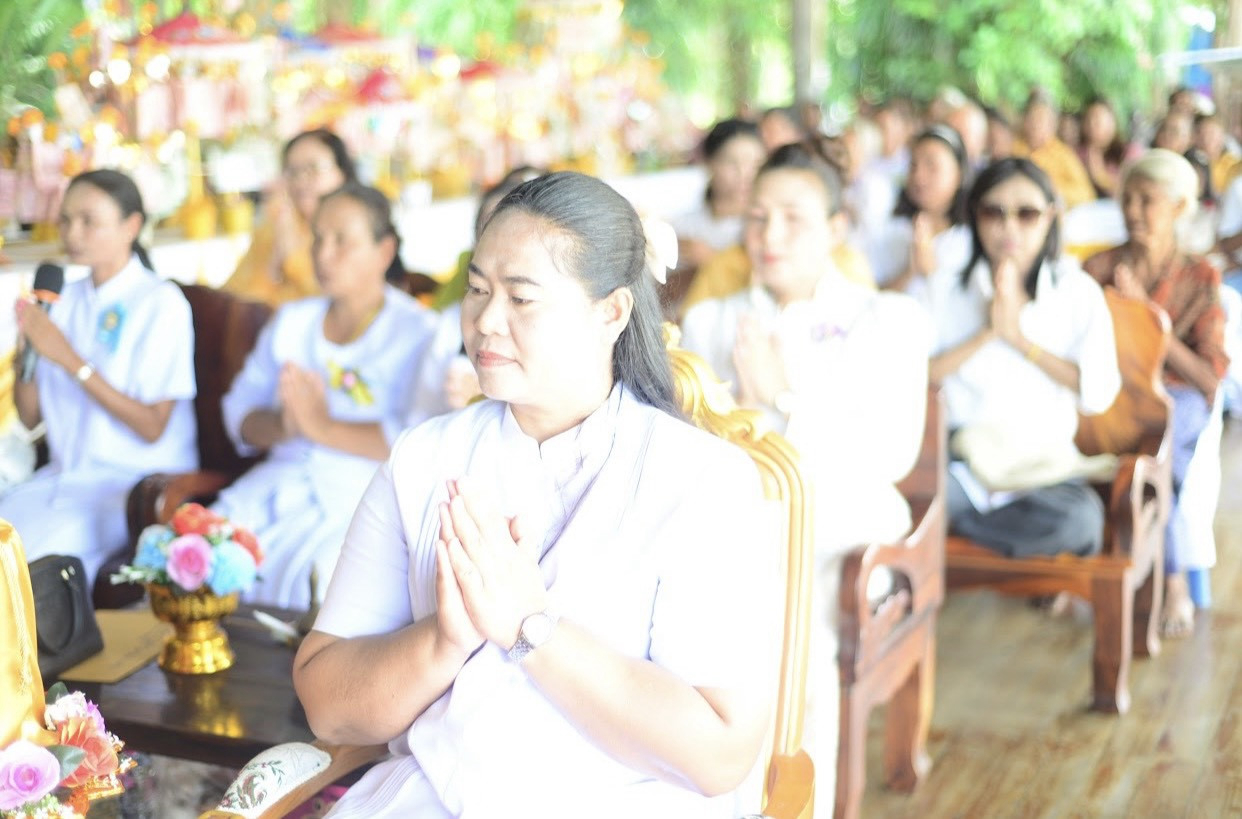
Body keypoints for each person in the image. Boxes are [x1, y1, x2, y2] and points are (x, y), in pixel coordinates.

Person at [293, 172, 777, 818]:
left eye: (522, 298)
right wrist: (444, 639)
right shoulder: (424, 457)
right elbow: (326, 701)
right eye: (477, 290)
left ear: (611, 312)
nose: (486, 320)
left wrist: (531, 626)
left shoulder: (701, 479)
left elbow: (720, 753)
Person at [680, 142, 931, 811]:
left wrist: (787, 397)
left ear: (836, 229)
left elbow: (893, 456)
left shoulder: (888, 320)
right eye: (757, 218)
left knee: (795, 623)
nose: (769, 236)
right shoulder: (709, 320)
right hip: (734, 532)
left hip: (843, 529)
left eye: (793, 218)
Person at [215, 183, 436, 609]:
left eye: (342, 241)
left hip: (362, 494)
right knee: (195, 553)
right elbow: (238, 412)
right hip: (276, 485)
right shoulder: (292, 322)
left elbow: (420, 438)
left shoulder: (417, 331)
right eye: (318, 238)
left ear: (384, 251)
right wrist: (283, 425)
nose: (323, 254)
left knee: (319, 578)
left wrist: (322, 427)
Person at [2, 169, 197, 585]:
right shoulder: (61, 298)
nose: (74, 233)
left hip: (126, 486)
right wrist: (30, 351)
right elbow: (30, 416)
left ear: (132, 225)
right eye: (67, 220)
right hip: (61, 477)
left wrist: (69, 358)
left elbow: (151, 427)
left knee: (24, 566)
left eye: (89, 221)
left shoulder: (161, 303)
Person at [930, 158, 1121, 560]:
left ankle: (959, 536)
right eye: (993, 212)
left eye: (1027, 214)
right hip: (965, 463)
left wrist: (1019, 339)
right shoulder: (944, 289)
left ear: (1050, 217)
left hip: (1045, 468)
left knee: (1081, 520)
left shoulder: (1077, 291)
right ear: (974, 215)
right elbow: (915, 380)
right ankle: (983, 533)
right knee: (921, 497)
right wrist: (987, 332)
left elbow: (1099, 394)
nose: (1009, 228)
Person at [1084, 149, 1231, 637]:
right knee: (1145, 449)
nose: (1133, 211)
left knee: (1157, 447)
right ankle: (1150, 579)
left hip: (1178, 399)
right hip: (1111, 393)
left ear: (1178, 207)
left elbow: (1211, 380)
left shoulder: (1200, 276)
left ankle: (1170, 583)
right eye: (1128, 198)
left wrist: (1147, 318)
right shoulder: (1099, 269)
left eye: (1148, 200)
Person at [407, 166, 548, 428]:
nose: (486, 322)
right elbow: (419, 418)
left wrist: (488, 400)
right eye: (489, 229)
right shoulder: (451, 325)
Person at [220, 129, 356, 306]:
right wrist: (273, 266)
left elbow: (338, 304)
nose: (301, 180)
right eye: (292, 172)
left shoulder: (355, 232)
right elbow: (233, 300)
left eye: (313, 168)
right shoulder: (275, 226)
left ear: (342, 173)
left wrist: (291, 257)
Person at [864, 125, 973, 295]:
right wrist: (911, 271)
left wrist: (931, 271)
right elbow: (869, 290)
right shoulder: (893, 229)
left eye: (932, 166)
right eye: (913, 166)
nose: (919, 176)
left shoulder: (969, 238)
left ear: (958, 173)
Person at [671, 118, 767, 271]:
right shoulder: (682, 227)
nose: (745, 174)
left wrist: (713, 260)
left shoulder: (764, 229)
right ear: (709, 163)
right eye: (732, 162)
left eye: (756, 164)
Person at [1013, 91, 1097, 210]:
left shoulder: (1063, 154)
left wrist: (1053, 190)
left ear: (1052, 125)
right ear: (1024, 121)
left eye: (1041, 119)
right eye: (1032, 118)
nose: (1036, 125)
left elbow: (1087, 194)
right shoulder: (1014, 149)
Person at [1078, 97, 1138, 199]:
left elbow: (1130, 191)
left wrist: (1100, 177)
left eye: (1097, 119)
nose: (1092, 124)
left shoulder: (1129, 151)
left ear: (1112, 121)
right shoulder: (1077, 153)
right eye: (1088, 119)